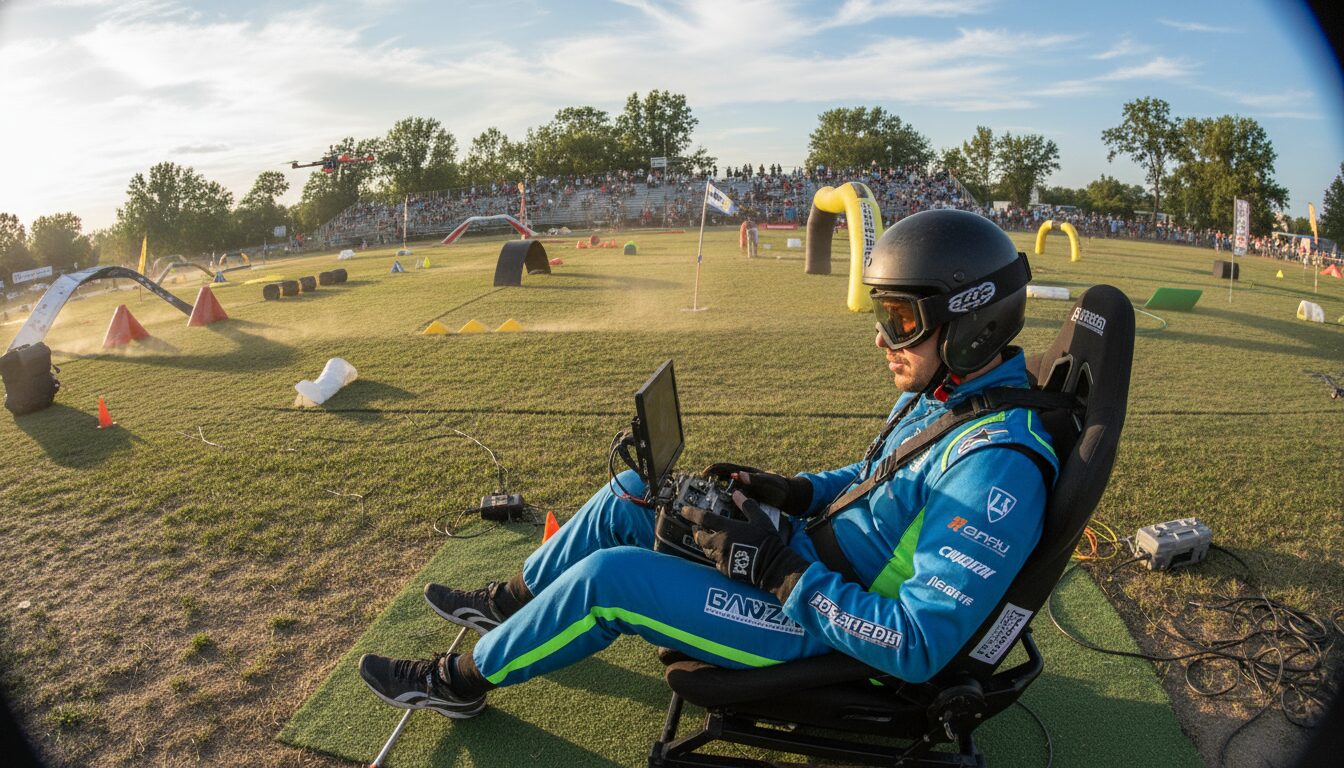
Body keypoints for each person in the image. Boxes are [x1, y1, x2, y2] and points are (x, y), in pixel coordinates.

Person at [358, 209, 1055, 720]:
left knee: (611, 581)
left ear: (971, 321)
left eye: (901, 319)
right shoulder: (953, 397)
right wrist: (794, 490)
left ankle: (454, 682)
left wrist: (779, 571)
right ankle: (509, 602)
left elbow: (915, 644)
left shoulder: (997, 467)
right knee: (638, 490)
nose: (880, 337)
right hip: (810, 565)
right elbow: (881, 478)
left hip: (828, 633)